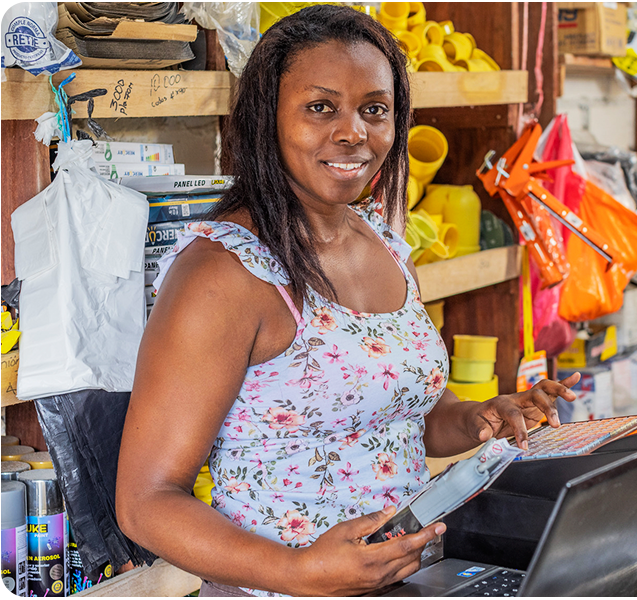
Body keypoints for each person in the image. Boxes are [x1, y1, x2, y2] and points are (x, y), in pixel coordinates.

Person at [116, 5, 579, 597]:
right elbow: (145, 501)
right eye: (320, 107)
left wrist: (480, 418)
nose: (353, 132)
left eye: (375, 110)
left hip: (408, 579)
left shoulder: (385, 242)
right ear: (266, 119)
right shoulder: (222, 273)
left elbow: (403, 420)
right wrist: (297, 570)